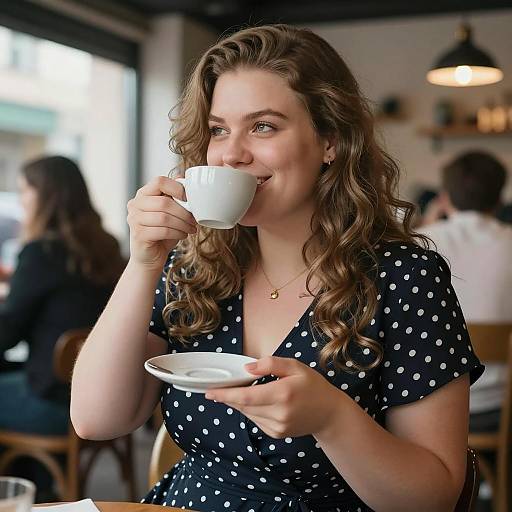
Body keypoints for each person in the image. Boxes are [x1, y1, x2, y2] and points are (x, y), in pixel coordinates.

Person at [71, 25, 483, 511]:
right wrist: (144, 262)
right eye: (219, 129)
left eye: (263, 126)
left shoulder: (405, 277)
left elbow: (433, 498)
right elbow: (96, 420)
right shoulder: (195, 266)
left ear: (330, 140)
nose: (231, 153)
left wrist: (333, 420)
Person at [0, 156, 125, 490]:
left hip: (56, 403)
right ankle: (38, 485)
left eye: (25, 190)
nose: (22, 198)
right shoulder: (107, 246)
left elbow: (6, 334)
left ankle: (23, 489)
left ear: (46, 195)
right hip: (102, 394)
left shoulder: (41, 253)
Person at [417, 151, 512, 432]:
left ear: (445, 197)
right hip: (500, 405)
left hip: (427, 409)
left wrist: (428, 224)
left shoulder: (418, 245)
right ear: (499, 198)